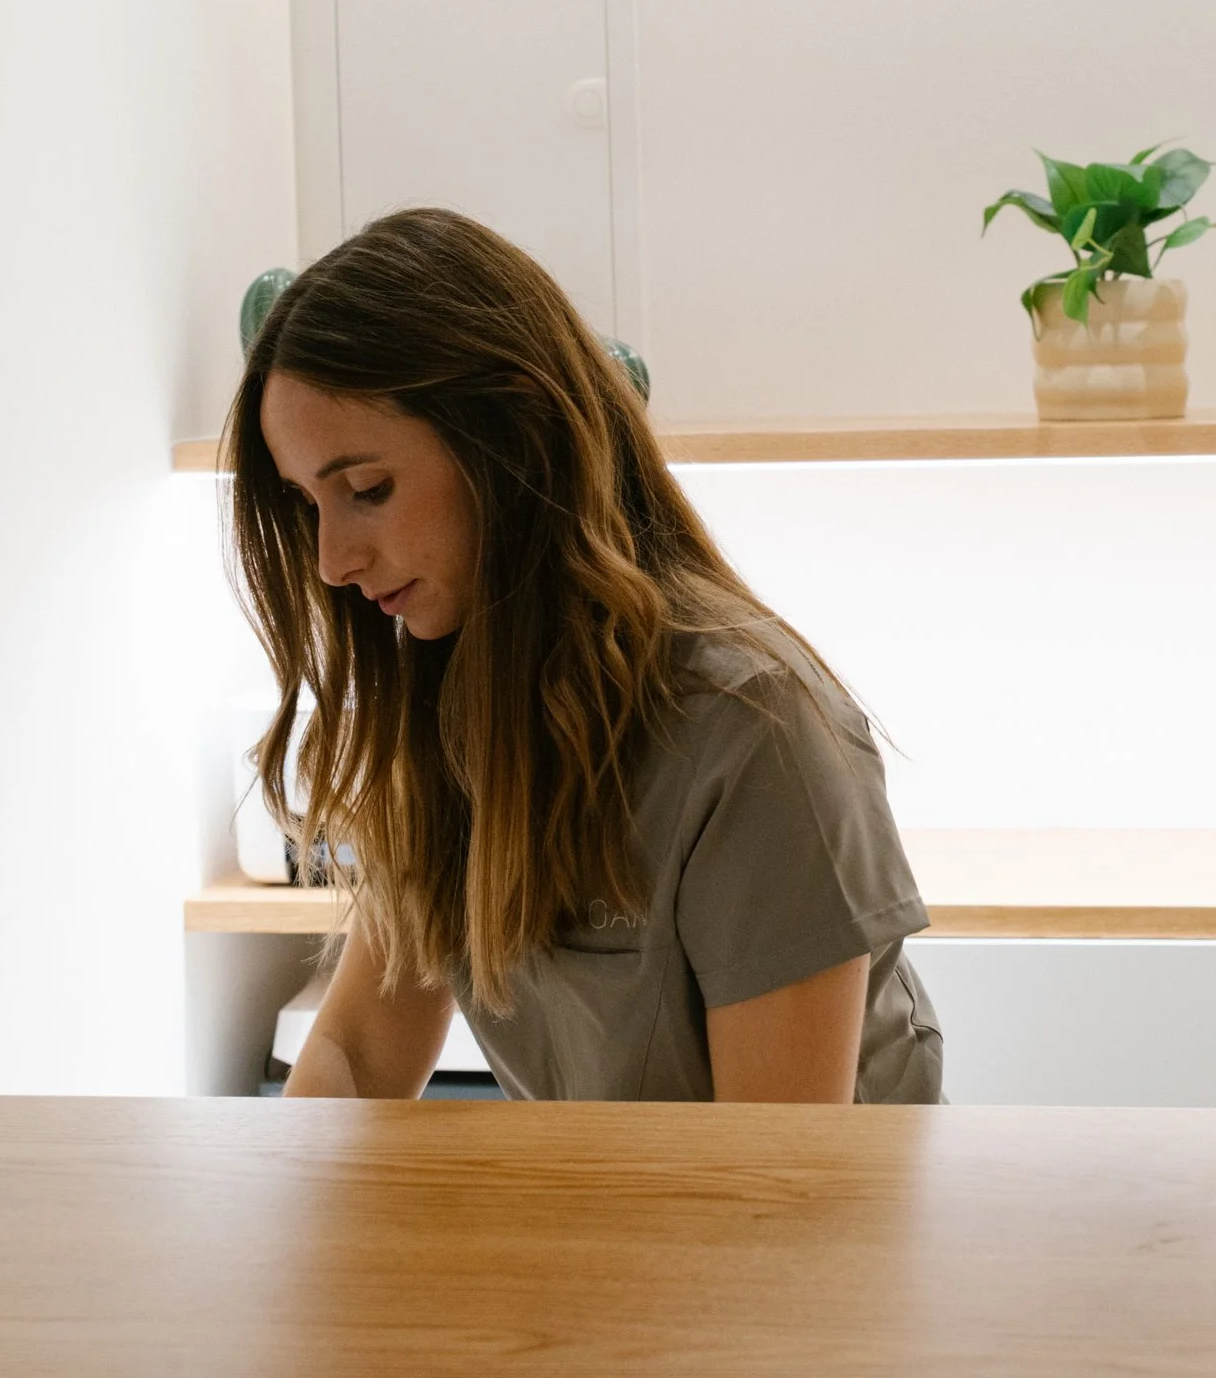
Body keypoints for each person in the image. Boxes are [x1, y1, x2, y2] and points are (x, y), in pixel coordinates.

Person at [229, 208, 942, 1104]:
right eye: (308, 506)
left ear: (511, 439)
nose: (333, 562)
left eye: (368, 489)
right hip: (616, 1230)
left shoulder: (754, 730)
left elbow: (773, 1187)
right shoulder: (456, 704)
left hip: (785, 1234)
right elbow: (359, 1054)